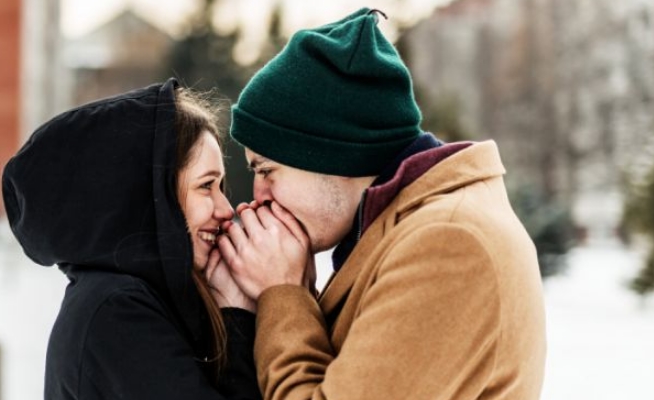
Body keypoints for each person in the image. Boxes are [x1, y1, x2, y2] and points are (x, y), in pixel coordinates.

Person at [216, 8, 547, 400]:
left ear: (331, 154)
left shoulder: (450, 244)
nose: (259, 195)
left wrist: (283, 292)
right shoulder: (400, 230)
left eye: (267, 170)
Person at [2, 79, 261, 400]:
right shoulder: (116, 312)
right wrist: (238, 317)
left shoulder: (134, 300)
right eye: (206, 186)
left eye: (221, 187)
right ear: (150, 194)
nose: (226, 209)